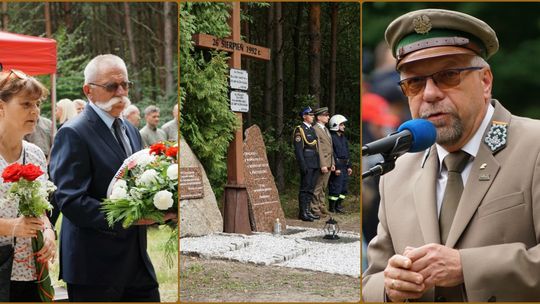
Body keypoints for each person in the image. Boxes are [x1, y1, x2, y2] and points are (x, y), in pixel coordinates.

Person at [363, 8, 540, 302]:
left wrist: (466, 267)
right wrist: (388, 287)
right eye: (414, 83)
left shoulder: (533, 146)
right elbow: (372, 279)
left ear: (485, 81)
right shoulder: (397, 172)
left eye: (448, 75)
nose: (429, 94)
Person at [49, 54, 160, 301]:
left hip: (137, 262)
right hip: (94, 267)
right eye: (112, 86)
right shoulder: (73, 133)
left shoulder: (131, 130)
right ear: (89, 91)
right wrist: (130, 217)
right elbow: (71, 201)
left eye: (125, 85)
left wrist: (161, 207)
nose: (121, 92)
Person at [0, 69, 56, 301]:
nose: (35, 111)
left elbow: (40, 208)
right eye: (26, 104)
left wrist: (49, 231)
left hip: (31, 271)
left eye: (37, 104)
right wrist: (11, 226)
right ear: (1, 108)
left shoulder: (34, 153)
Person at [293, 106, 320, 222]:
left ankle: (308, 211)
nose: (312, 116)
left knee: (311, 188)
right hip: (307, 161)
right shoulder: (300, 130)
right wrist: (302, 165)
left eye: (313, 115)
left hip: (314, 161)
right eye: (310, 114)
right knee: (305, 188)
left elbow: (316, 147)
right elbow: (299, 150)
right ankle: (302, 212)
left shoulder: (312, 129)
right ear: (304, 116)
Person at [311, 107, 333, 217]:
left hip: (329, 162)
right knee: (318, 186)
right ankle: (314, 208)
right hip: (322, 162)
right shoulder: (315, 129)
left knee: (324, 186)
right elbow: (318, 148)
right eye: (326, 115)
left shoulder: (326, 129)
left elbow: (330, 148)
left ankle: (321, 206)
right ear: (319, 117)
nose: (328, 117)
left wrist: (332, 163)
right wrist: (323, 164)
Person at [327, 114, 352, 213]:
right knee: (335, 188)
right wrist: (336, 167)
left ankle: (338, 206)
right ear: (335, 125)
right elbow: (332, 153)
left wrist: (349, 166)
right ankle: (332, 207)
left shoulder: (343, 138)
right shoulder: (332, 138)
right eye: (341, 124)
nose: (344, 126)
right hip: (337, 166)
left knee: (343, 188)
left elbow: (347, 153)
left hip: (345, 166)